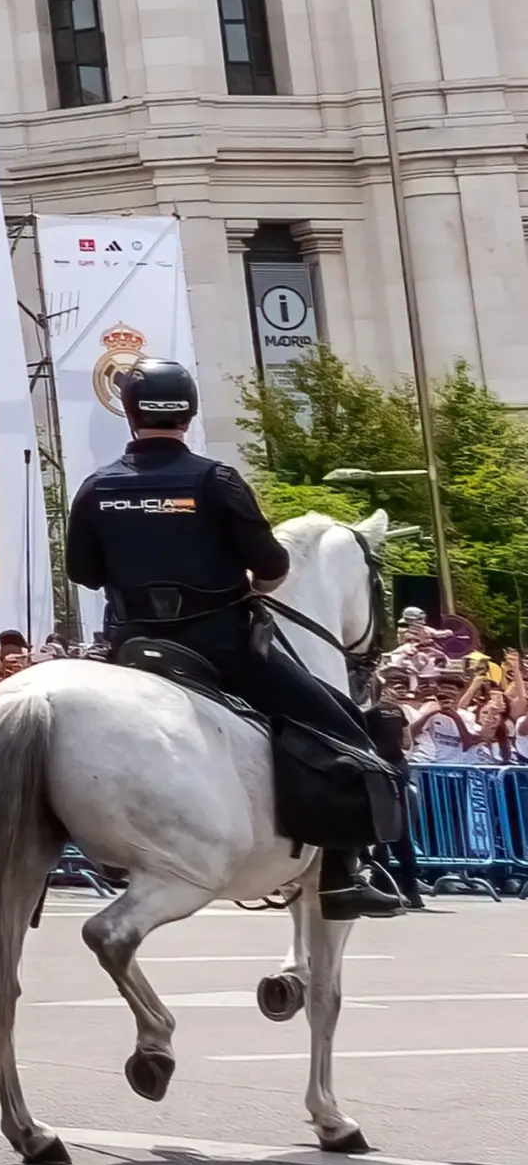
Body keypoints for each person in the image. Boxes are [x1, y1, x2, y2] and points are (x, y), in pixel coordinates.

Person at [65, 360, 399, 917]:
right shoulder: (215, 481)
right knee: (346, 733)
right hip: (221, 647)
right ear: (189, 415)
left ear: (129, 414)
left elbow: (83, 572)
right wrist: (251, 581)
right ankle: (343, 873)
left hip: (131, 650)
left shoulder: (98, 488)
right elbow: (271, 565)